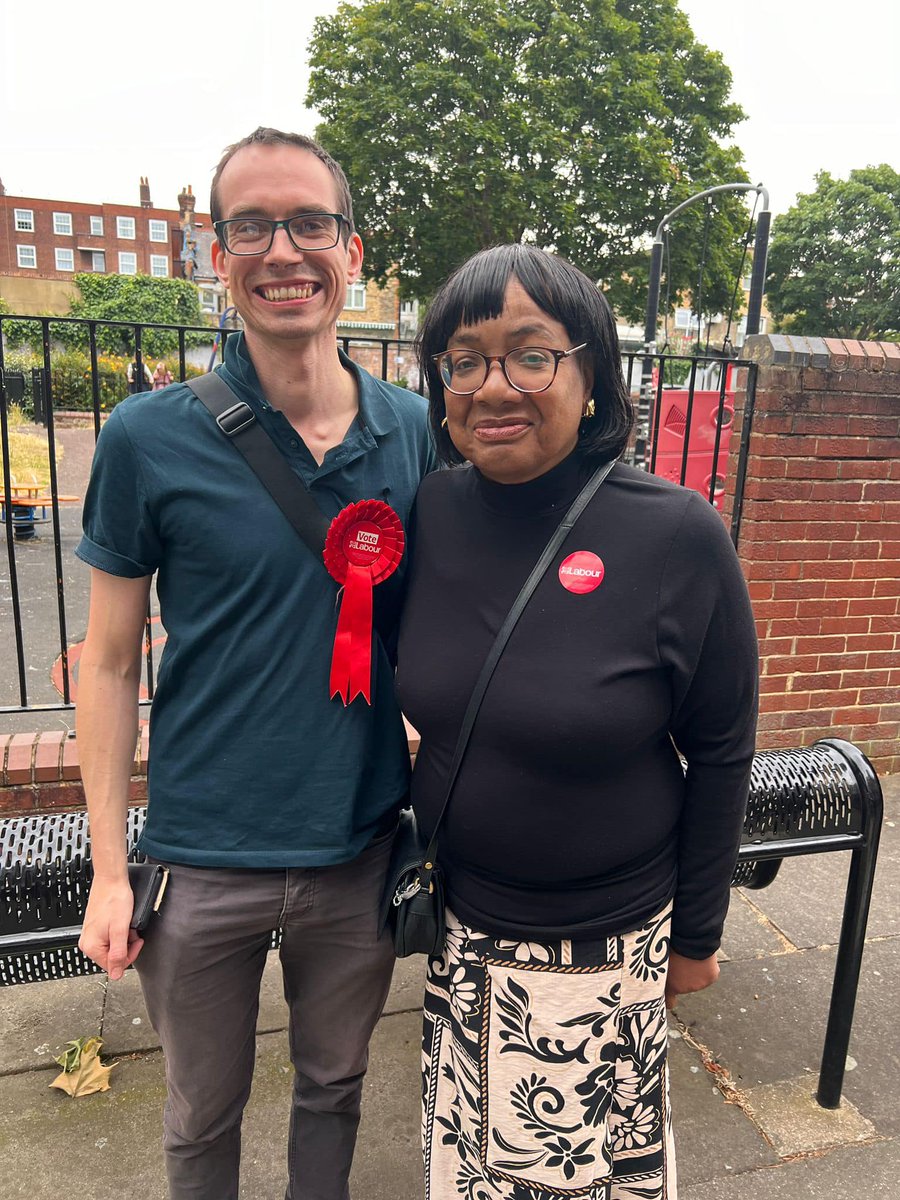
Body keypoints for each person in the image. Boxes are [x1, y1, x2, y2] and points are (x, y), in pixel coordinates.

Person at [76, 127, 436, 1200]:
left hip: (357, 846)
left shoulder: (416, 430)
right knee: (199, 1113)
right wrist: (107, 869)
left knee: (334, 1087)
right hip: (201, 856)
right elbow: (104, 666)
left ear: (353, 251)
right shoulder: (146, 437)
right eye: (253, 226)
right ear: (218, 254)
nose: (284, 249)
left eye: (310, 223)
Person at [395, 244, 759, 1199]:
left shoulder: (678, 534)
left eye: (530, 354)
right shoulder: (432, 508)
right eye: (463, 361)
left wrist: (699, 938)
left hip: (596, 949)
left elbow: (721, 752)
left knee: (568, 1177)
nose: (493, 386)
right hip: (463, 929)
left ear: (591, 370)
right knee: (474, 1167)